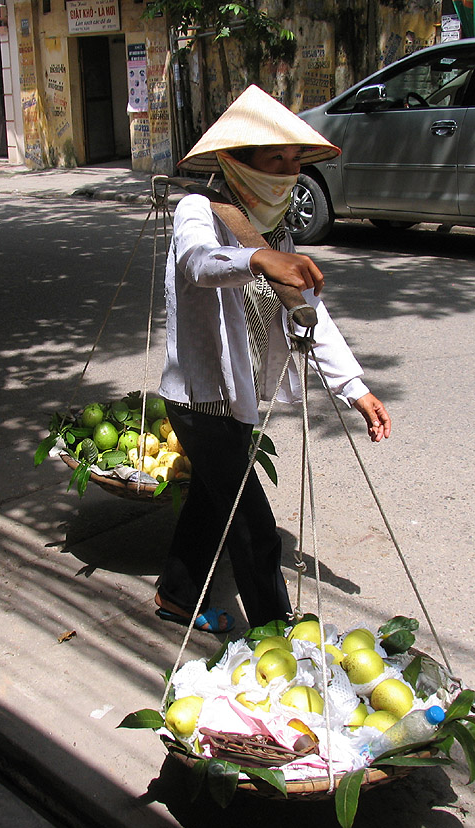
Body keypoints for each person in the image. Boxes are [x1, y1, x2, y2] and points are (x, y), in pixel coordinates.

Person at [153, 86, 391, 634]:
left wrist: (355, 388)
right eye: (272, 159)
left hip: (239, 396)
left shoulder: (278, 224)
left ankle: (175, 594)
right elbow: (196, 262)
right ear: (238, 163)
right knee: (254, 524)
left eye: (293, 159)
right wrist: (257, 257)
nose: (286, 170)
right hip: (199, 398)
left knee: (216, 500)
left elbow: (308, 312)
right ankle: (275, 638)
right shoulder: (200, 211)